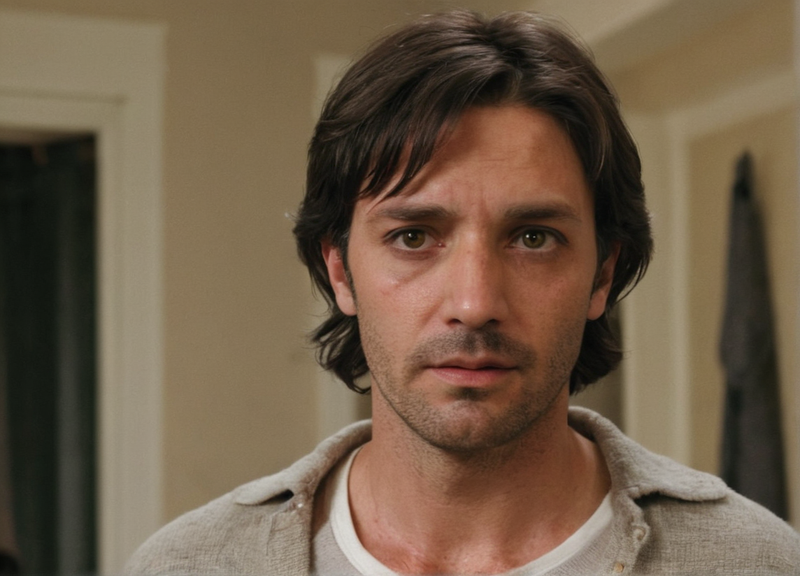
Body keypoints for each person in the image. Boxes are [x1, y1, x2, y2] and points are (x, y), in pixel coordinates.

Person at [126, 9, 800, 575]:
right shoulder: (189, 566)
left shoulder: (755, 563)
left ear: (602, 275)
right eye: (414, 236)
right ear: (340, 272)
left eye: (533, 238)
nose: (475, 304)